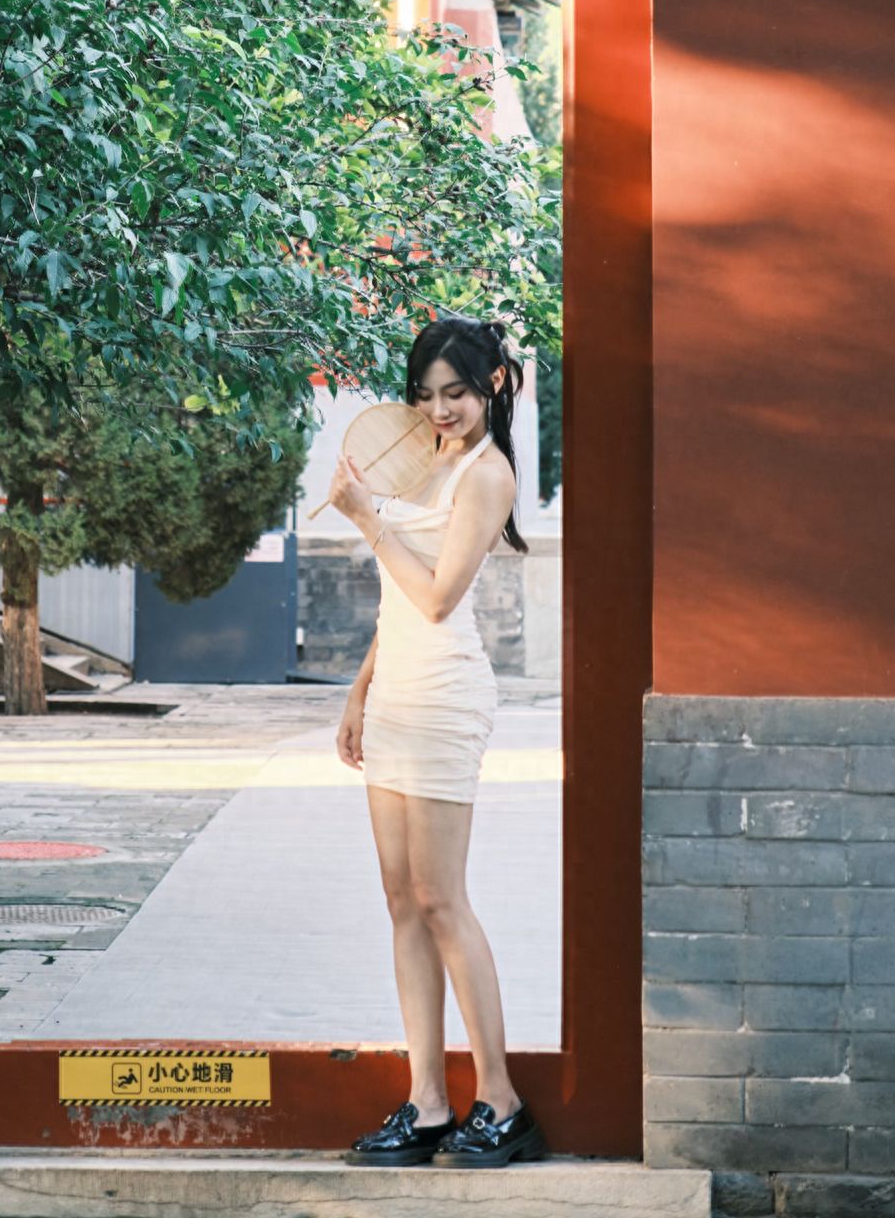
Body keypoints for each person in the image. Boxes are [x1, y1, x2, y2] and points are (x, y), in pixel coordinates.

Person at [326, 313, 547, 1169]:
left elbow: (440, 597)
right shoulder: (430, 460)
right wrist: (359, 689)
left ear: (491, 386)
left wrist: (365, 520)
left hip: (448, 696)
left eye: (454, 393)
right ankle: (426, 1103)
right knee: (400, 900)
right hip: (396, 695)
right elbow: (395, 598)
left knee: (441, 897)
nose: (439, 409)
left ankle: (501, 1098)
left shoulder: (485, 475)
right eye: (425, 396)